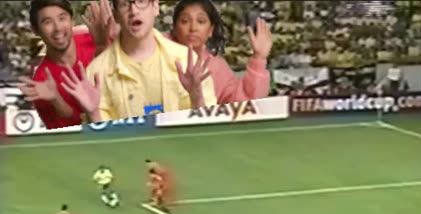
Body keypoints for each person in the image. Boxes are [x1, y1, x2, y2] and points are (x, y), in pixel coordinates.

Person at [61, 0, 217, 123]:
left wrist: (197, 96)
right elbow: (102, 147)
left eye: (141, 1)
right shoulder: (97, 72)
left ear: (155, 7)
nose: (134, 10)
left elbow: (209, 134)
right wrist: (93, 114)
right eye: (124, 4)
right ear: (115, 15)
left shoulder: (187, 61)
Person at [20, 0, 114, 129]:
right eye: (47, 22)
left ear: (72, 21)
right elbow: (72, 134)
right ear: (35, 30)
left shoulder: (98, 37)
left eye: (62, 18)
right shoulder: (42, 84)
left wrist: (104, 46)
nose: (58, 28)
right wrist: (57, 100)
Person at [171, 0, 271, 104]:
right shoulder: (161, 49)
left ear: (211, 30)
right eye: (185, 21)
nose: (193, 28)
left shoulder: (217, 67)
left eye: (201, 21)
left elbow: (243, 104)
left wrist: (259, 58)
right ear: (175, 28)